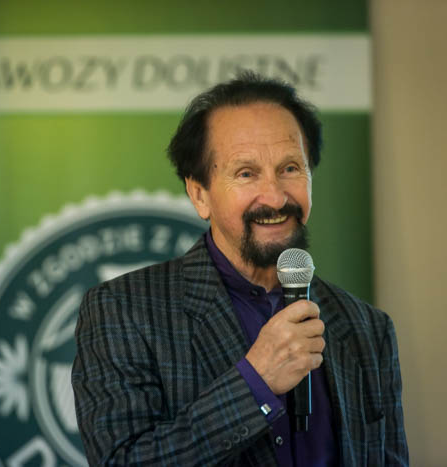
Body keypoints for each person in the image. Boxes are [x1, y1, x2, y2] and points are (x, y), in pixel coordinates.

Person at [71, 71, 408, 466]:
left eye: (290, 168)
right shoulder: (122, 310)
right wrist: (255, 384)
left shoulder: (367, 328)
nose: (276, 197)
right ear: (200, 194)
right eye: (246, 173)